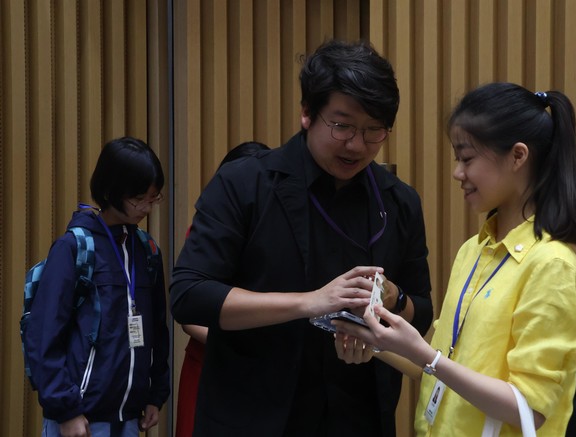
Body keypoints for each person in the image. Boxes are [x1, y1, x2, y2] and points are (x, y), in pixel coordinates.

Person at [170, 39, 433, 436]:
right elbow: (190, 295)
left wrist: (392, 300)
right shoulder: (245, 183)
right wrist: (309, 303)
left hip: (358, 417)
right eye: (342, 125)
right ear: (307, 113)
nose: (357, 145)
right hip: (251, 417)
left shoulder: (399, 201)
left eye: (374, 130)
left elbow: (422, 311)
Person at [334, 82, 576, 436]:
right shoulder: (473, 250)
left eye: (467, 159)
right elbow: (443, 366)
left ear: (518, 156)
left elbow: (529, 409)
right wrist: (373, 339)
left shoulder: (552, 266)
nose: (457, 173)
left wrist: (427, 357)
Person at [27, 137, 170, 437]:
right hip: (79, 419)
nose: (147, 207)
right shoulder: (73, 248)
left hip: (129, 419)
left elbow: (158, 329)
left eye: (153, 198)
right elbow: (44, 335)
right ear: (110, 192)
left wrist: (156, 393)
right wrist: (65, 410)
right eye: (139, 199)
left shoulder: (147, 251)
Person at [175, 141, 269, 437]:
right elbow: (189, 315)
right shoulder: (206, 233)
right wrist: (238, 346)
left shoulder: (279, 238)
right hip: (207, 364)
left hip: (262, 374)